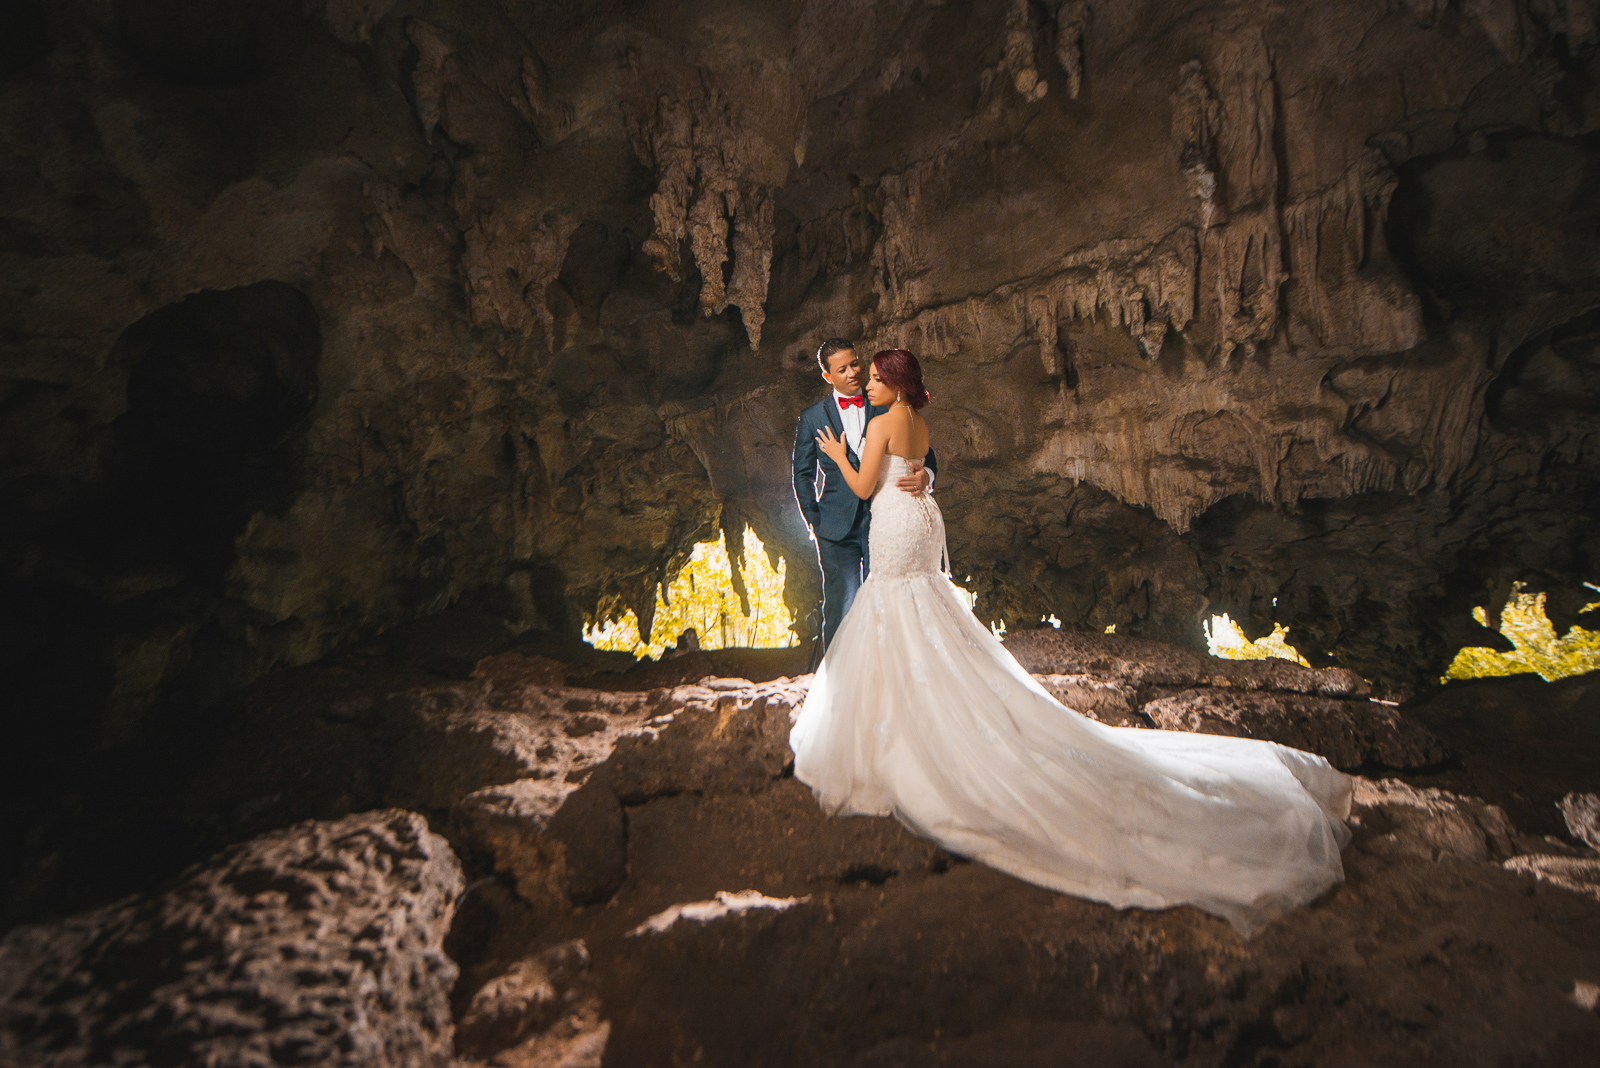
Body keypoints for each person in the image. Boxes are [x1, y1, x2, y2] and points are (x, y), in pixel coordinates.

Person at [790, 348, 1353, 936]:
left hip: (896, 520)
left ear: (895, 384)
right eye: (863, 376)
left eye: (877, 377)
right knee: (920, 608)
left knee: (897, 604)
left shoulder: (881, 421)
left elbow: (861, 483)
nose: (869, 384)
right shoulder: (914, 416)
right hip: (922, 520)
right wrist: (916, 477)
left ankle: (907, 716)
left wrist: (843, 457)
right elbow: (912, 460)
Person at [792, 339, 936, 656]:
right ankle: (834, 684)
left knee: (886, 605)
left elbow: (925, 452)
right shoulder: (812, 417)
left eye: (855, 363)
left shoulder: (883, 402)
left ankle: (882, 680)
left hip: (884, 523)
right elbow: (802, 474)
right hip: (834, 527)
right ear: (828, 377)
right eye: (842, 369)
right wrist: (814, 521)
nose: (854, 373)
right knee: (841, 606)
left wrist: (927, 475)